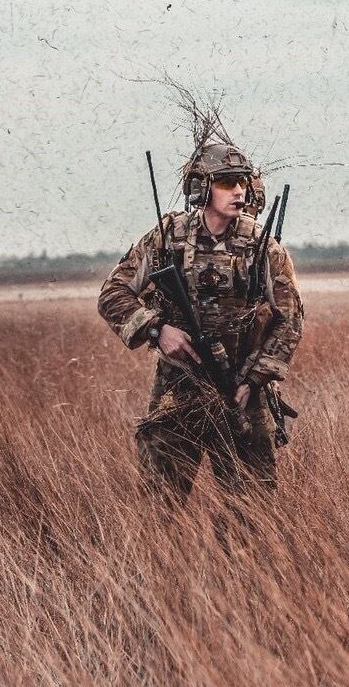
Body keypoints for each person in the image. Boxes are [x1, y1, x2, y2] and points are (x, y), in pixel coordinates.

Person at [98, 143, 303, 509]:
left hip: (240, 390)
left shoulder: (262, 246)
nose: (238, 190)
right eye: (225, 182)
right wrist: (157, 330)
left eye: (241, 181)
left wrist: (254, 379)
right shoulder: (167, 236)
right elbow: (113, 293)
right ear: (200, 187)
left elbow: (290, 319)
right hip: (179, 387)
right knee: (160, 505)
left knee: (251, 512)